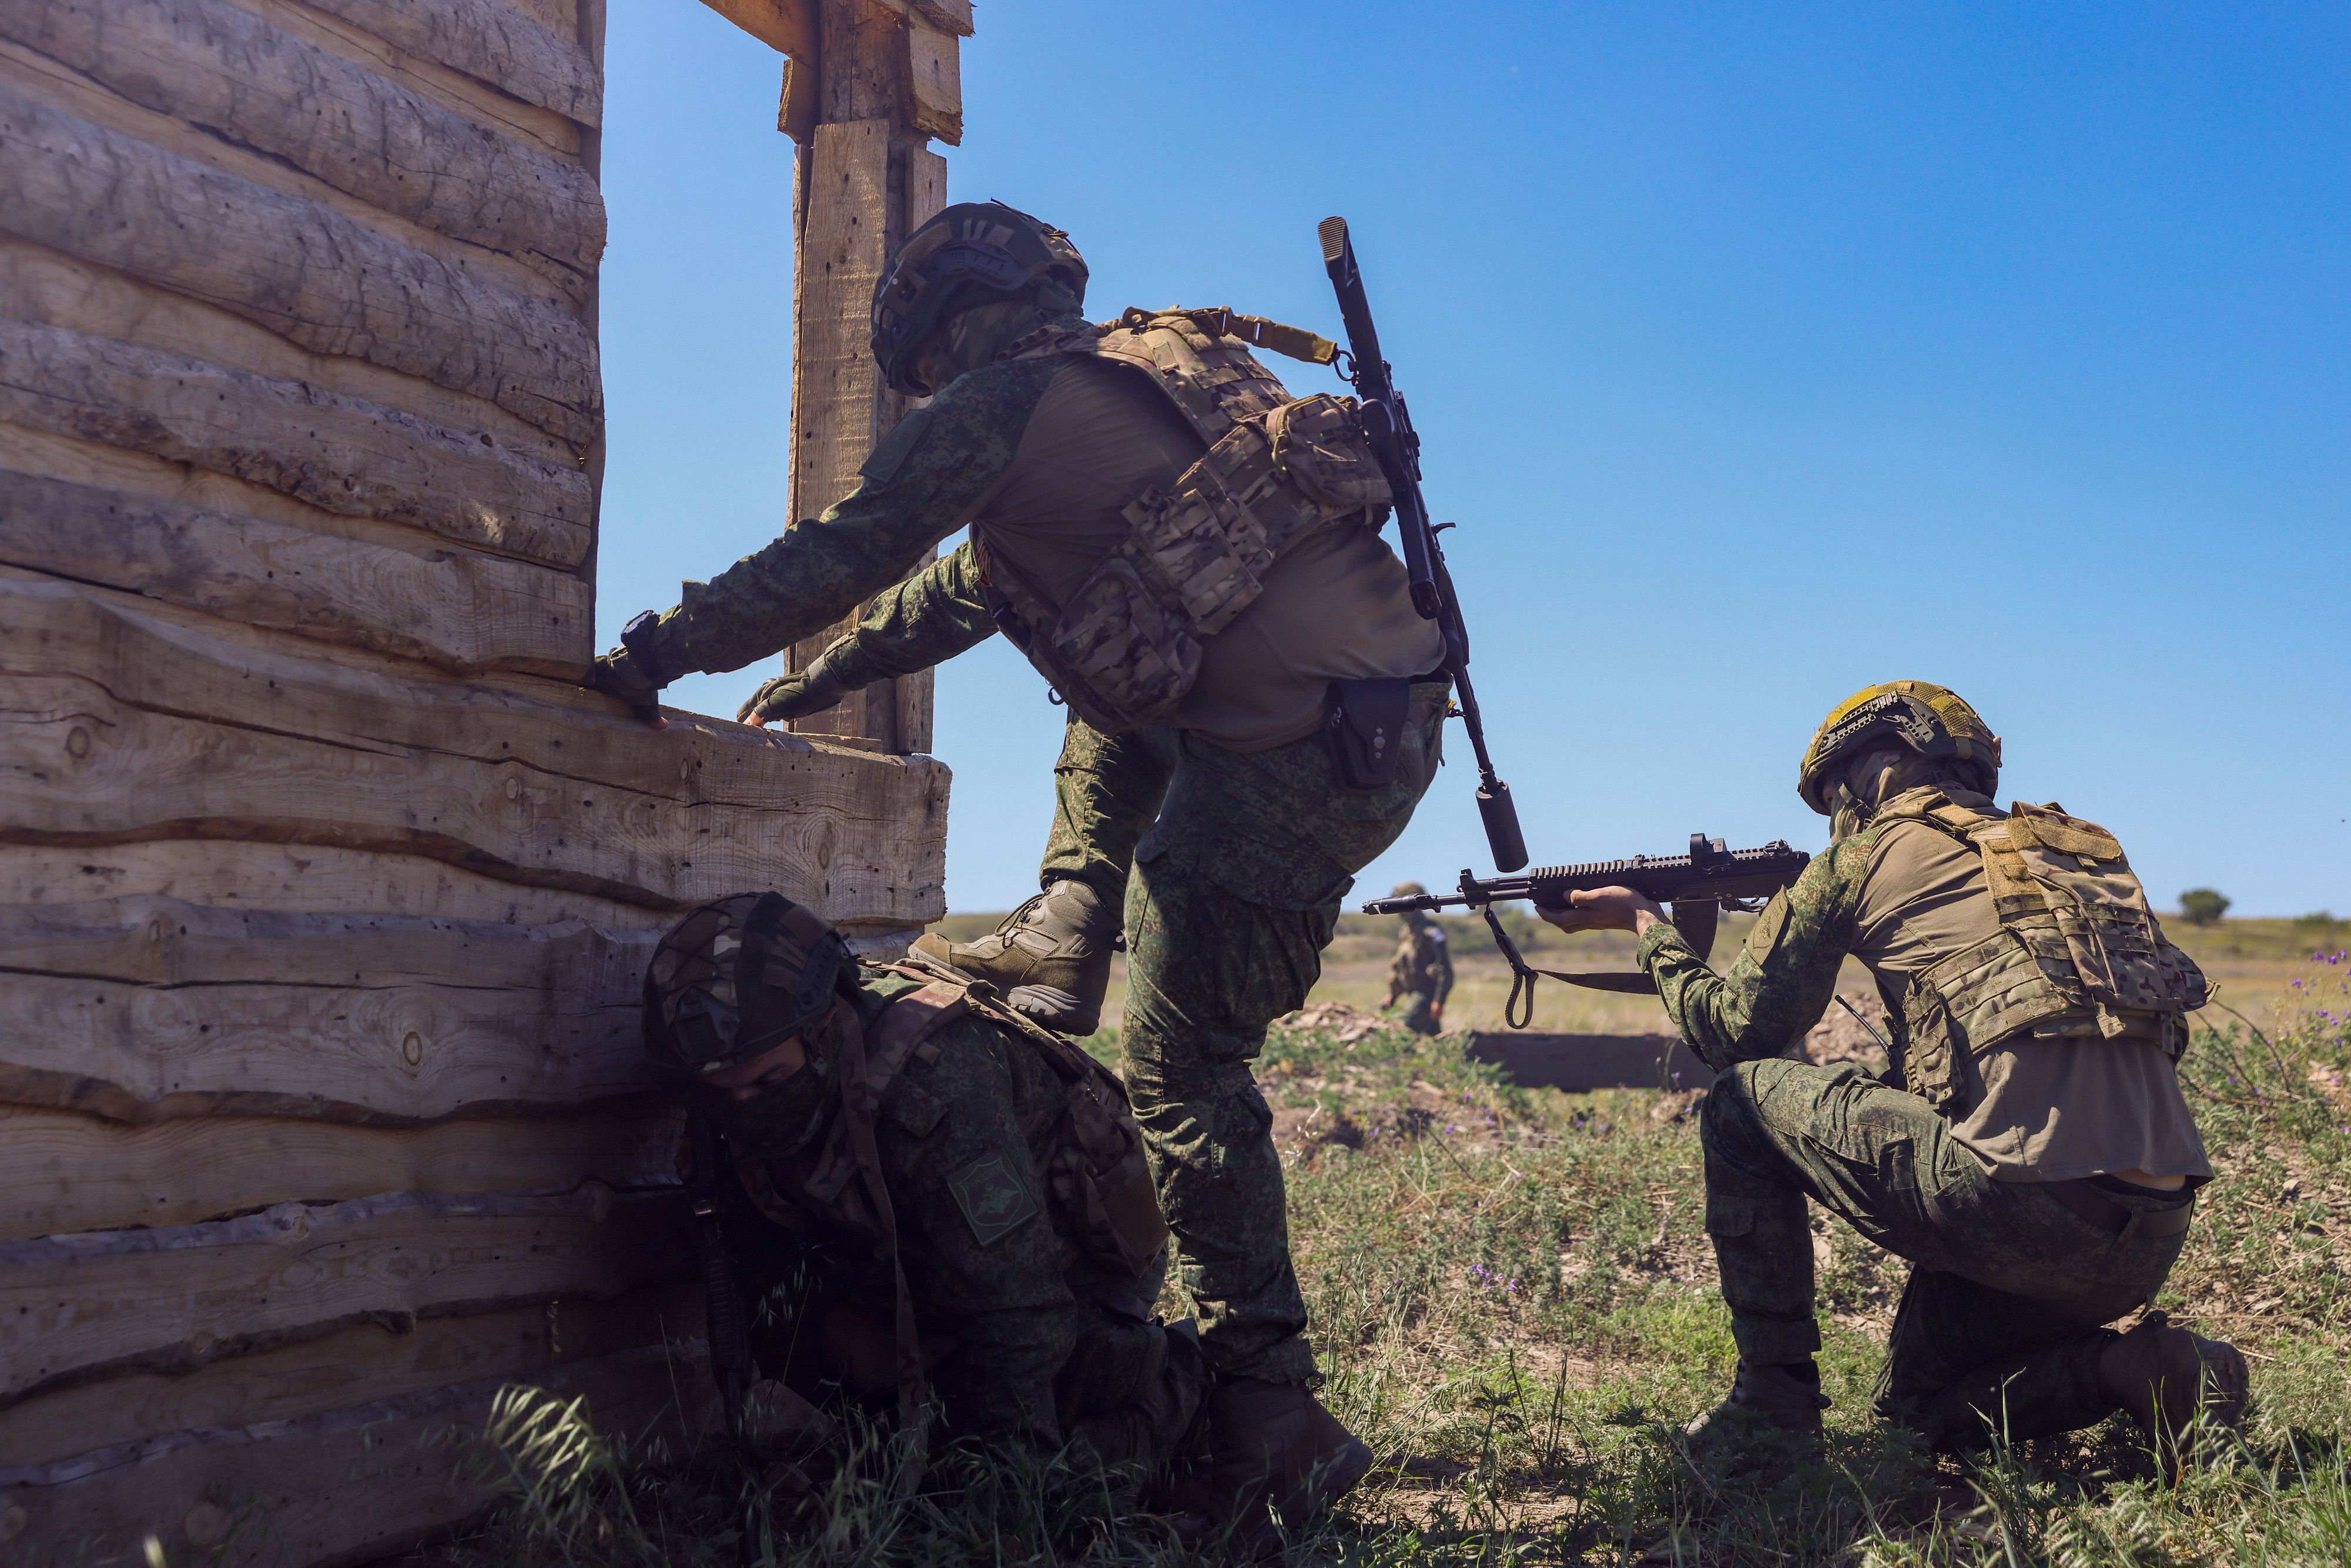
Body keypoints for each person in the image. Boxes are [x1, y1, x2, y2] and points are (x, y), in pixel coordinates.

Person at [592, 202, 1445, 1449]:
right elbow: (968, 588)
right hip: (1367, 710)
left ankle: (1269, 1408)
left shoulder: (997, 408)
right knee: (1109, 649)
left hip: (1297, 765)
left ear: (946, 334)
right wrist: (827, 674)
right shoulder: (1143, 376)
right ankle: (1070, 917)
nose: (925, 393)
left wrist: (652, 656)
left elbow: (848, 546)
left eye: (923, 373)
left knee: (1183, 1069)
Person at [1538, 681, 2248, 1459]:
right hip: (2146, 1235)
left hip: (2022, 1211)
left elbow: (1735, 1035)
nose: (1839, 811)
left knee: (1741, 1103)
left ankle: (1770, 1407)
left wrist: (1646, 925)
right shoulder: (2077, 856)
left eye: (1833, 792)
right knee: (1920, 1407)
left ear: (1878, 768)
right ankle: (2147, 1368)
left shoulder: (1861, 858)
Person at [643, 892, 1368, 1544]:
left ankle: (1185, 1378)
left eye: (771, 1081)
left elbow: (1019, 1309)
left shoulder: (935, 1080)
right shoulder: (730, 1099)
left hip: (1072, 1264)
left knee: (1042, 1470)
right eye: (724, 1095)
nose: (749, 1109)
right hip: (930, 1266)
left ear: (828, 1025)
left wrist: (1000, 1494)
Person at [1380, 883, 1455, 1036]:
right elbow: (1401, 967)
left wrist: (1439, 1001)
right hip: (1413, 994)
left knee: (1401, 1028)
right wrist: (1393, 995)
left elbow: (1446, 968)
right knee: (1434, 1038)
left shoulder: (1430, 931)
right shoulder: (1406, 933)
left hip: (1427, 994)